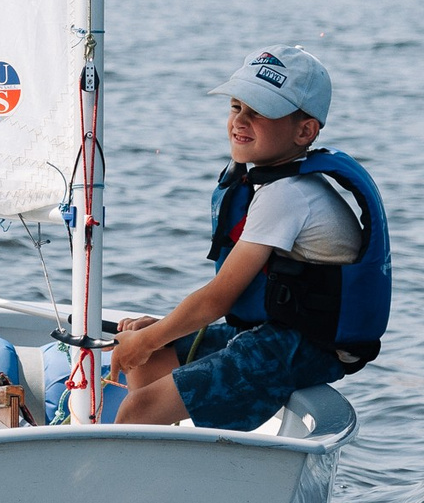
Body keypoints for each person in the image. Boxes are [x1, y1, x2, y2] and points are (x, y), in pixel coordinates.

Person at [109, 46, 390, 429]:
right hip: (281, 332)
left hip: (307, 346)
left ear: (305, 131)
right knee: (157, 356)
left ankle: (142, 471)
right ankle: (169, 453)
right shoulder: (280, 183)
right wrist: (155, 339)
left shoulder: (287, 194)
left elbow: (218, 298)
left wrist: (146, 340)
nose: (241, 121)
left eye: (259, 111)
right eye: (236, 106)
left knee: (135, 409)